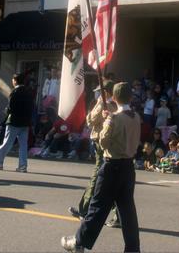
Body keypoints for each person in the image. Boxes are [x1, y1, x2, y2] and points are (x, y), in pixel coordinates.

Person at [61, 82, 141, 253]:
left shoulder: (114, 118)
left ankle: (79, 242)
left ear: (114, 97)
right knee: (127, 212)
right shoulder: (136, 117)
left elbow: (103, 142)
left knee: (97, 208)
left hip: (112, 166)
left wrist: (107, 120)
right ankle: (133, 249)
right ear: (131, 97)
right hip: (129, 167)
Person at [68, 80, 116, 222]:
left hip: (101, 143)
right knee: (108, 179)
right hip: (106, 143)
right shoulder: (113, 105)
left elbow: (90, 120)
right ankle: (115, 214)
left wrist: (98, 105)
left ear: (105, 92)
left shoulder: (105, 104)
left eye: (99, 91)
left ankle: (85, 210)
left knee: (98, 177)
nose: (97, 94)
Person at [0, 73, 33, 172]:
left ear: (15, 80)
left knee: (7, 143)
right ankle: (23, 166)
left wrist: (6, 112)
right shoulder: (28, 92)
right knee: (23, 145)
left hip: (14, 121)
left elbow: (10, 108)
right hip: (25, 122)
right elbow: (32, 107)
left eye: (13, 80)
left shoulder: (14, 92)